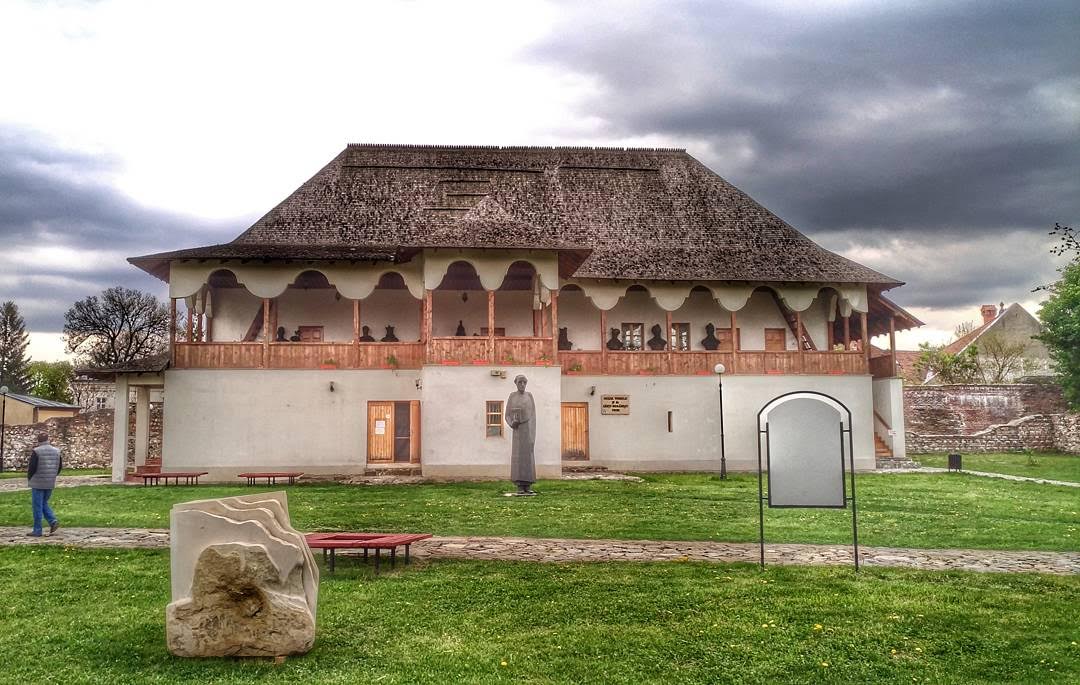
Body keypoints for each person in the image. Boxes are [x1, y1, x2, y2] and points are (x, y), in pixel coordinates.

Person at [505, 375, 537, 494]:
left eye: (524, 382)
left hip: (528, 430)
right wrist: (511, 423)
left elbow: (533, 416)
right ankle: (519, 485)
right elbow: (507, 414)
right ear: (516, 383)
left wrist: (533, 435)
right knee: (518, 457)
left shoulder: (529, 396)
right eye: (520, 382)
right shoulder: (512, 396)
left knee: (528, 457)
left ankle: (528, 485)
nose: (522, 384)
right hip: (518, 431)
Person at [27, 432, 61, 537]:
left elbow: (32, 467)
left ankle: (37, 530)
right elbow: (59, 467)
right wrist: (53, 475)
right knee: (43, 503)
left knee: (37, 506)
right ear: (48, 439)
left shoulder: (36, 451)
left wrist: (30, 478)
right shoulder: (57, 451)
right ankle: (52, 521)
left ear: (38, 440)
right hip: (50, 481)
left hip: (37, 482)